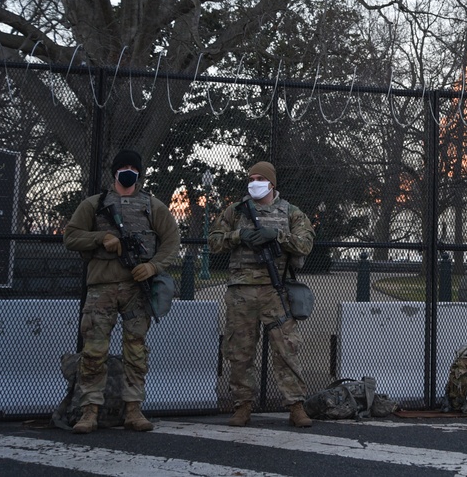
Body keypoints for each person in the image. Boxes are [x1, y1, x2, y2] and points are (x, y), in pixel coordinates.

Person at [62, 149, 181, 434]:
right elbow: (71, 236)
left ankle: (133, 409)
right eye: (123, 167)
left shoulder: (153, 206)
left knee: (136, 351)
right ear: (114, 171)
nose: (128, 171)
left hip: (136, 289)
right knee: (93, 351)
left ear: (140, 172)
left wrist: (153, 267)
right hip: (101, 287)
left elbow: (171, 242)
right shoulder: (94, 204)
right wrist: (101, 238)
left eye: (133, 167)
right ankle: (89, 410)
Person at [208, 161, 316, 427]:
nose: (254, 182)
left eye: (260, 178)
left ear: (271, 183)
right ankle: (242, 405)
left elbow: (305, 244)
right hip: (241, 292)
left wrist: (276, 236)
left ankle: (295, 405)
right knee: (240, 351)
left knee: (286, 349)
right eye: (251, 177)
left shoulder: (290, 212)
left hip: (275, 290)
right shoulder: (235, 211)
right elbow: (213, 242)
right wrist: (239, 236)